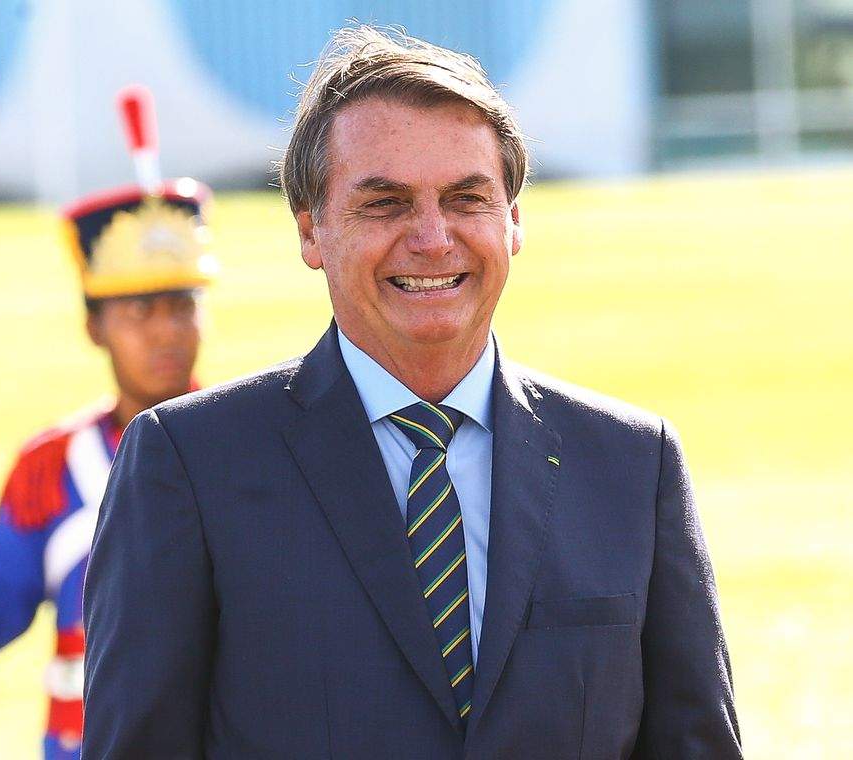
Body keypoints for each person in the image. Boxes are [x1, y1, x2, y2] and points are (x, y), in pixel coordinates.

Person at [83, 25, 742, 759]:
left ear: (513, 220)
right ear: (311, 230)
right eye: (386, 203)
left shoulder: (632, 463)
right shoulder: (188, 465)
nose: (432, 238)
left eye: (466, 198)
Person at [0, 177, 215, 759]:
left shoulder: (254, 442)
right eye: (140, 309)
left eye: (183, 305)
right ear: (94, 326)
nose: (166, 331)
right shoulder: (50, 470)